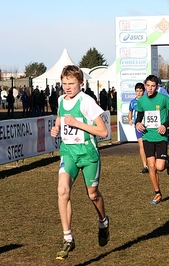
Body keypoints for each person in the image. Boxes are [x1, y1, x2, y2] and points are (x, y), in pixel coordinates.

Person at [50, 65, 110, 260]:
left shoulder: (87, 102)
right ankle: (68, 238)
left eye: (71, 84)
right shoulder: (60, 99)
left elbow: (104, 132)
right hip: (68, 151)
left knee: (92, 195)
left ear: (81, 83)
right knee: (62, 190)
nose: (67, 87)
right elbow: (60, 116)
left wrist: (78, 124)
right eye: (64, 83)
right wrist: (56, 128)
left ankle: (103, 221)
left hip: (88, 153)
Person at [135, 74, 169, 205]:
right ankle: (157, 193)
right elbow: (140, 115)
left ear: (157, 87)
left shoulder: (164, 99)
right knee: (151, 166)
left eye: (153, 86)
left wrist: (165, 125)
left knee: (160, 167)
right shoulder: (142, 101)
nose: (150, 88)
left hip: (160, 136)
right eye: (147, 86)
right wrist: (138, 123)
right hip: (147, 136)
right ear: (145, 86)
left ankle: (168, 162)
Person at [128, 82, 148, 174]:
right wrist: (130, 119)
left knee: (150, 145)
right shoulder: (132, 102)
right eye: (137, 91)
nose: (139, 93)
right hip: (138, 127)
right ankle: (145, 166)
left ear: (143, 91)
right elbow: (130, 112)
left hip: (148, 126)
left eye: (140, 91)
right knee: (141, 145)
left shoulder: (147, 100)